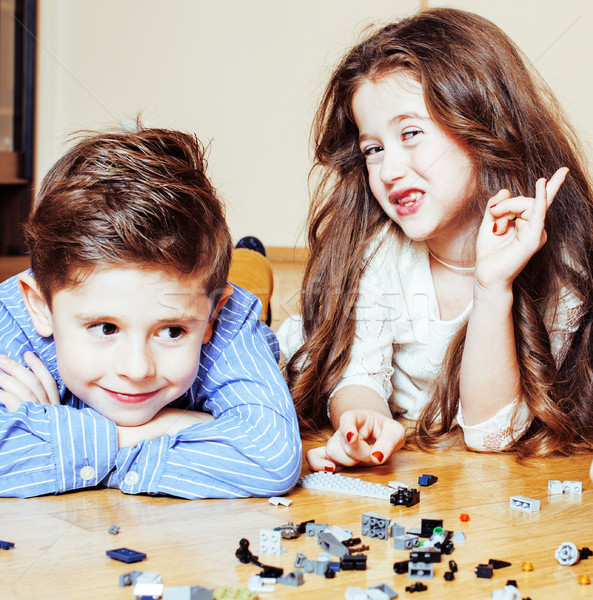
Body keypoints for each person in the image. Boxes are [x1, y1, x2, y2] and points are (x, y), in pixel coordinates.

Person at [280, 7, 593, 472]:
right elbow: (358, 378)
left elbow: (491, 434)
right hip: (293, 358)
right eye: (373, 149)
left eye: (411, 133)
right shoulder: (378, 252)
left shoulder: (560, 264)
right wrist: (360, 421)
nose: (389, 170)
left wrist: (492, 286)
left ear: (483, 125)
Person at [0, 126, 302, 498]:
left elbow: (270, 457)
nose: (138, 369)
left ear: (211, 316)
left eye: (172, 331)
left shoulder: (227, 319)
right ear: (40, 307)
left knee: (247, 279)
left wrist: (55, 429)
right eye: (105, 328)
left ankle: (252, 259)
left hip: (223, 298)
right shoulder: (12, 321)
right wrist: (174, 424)